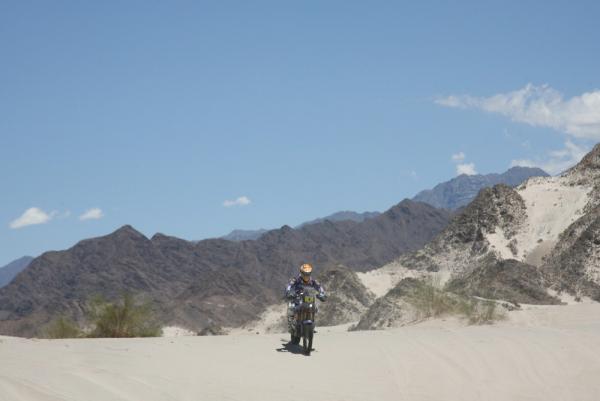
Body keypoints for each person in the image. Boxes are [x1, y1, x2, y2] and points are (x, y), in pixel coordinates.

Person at [285, 263, 326, 334]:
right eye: (305, 273)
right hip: (297, 298)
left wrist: (322, 294)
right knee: (291, 308)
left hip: (309, 299)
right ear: (301, 272)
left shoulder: (313, 281)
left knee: (315, 308)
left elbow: (320, 287)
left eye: (308, 273)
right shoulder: (296, 280)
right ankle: (291, 324)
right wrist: (289, 292)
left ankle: (311, 326)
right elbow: (289, 286)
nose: (306, 275)